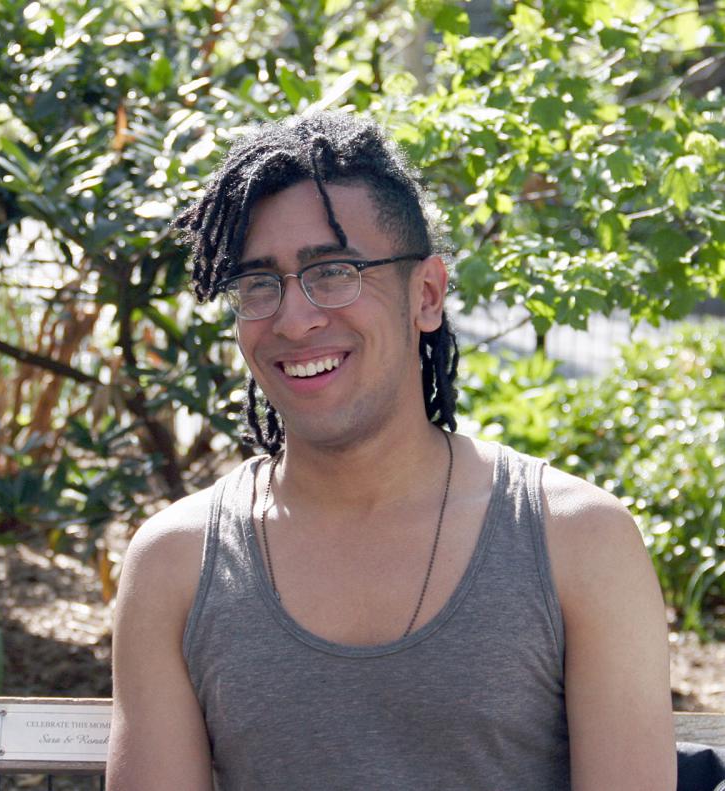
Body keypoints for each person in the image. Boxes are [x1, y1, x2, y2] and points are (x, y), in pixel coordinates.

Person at [106, 112, 676, 790]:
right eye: (259, 283)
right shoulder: (175, 563)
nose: (294, 318)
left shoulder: (577, 541)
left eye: (333, 271)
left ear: (426, 294)